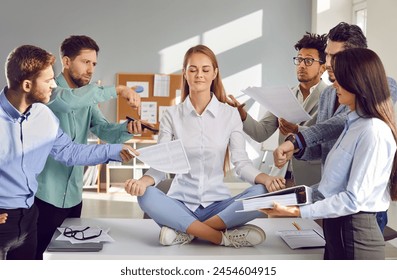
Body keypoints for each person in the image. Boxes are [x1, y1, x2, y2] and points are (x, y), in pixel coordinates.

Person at [124, 45, 285, 248]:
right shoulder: (171, 115)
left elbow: (241, 164)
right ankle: (220, 237)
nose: (199, 75)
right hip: (179, 203)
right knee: (145, 195)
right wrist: (143, 181)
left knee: (264, 193)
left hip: (218, 205)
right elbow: (161, 164)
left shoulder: (230, 114)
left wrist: (267, 179)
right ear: (185, 73)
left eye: (205, 70)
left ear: (215, 73)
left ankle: (185, 231)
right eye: (193, 69)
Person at [0, 45, 138, 260]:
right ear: (27, 85)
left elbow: (69, 152)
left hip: (29, 217)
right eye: (47, 81)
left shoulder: (43, 117)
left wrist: (115, 150)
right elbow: (70, 100)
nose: (53, 85)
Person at [262, 48, 397, 260]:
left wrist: (296, 212)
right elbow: (331, 187)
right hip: (336, 227)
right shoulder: (352, 126)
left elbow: (353, 199)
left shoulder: (373, 131)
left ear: (358, 82)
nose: (334, 85)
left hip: (356, 232)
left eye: (340, 79)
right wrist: (290, 199)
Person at [34, 35, 144, 260]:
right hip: (45, 195)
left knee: (69, 258)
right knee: (40, 257)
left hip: (74, 195)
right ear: (66, 62)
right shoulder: (50, 92)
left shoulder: (88, 100)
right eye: (85, 62)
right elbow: (70, 101)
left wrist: (127, 129)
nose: (91, 69)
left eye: (94, 64)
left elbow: (103, 130)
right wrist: (120, 89)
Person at [228, 32, 327, 186]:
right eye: (299, 59)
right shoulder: (286, 96)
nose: (301, 65)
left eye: (308, 60)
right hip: (280, 177)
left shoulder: (330, 96)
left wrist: (296, 130)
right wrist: (242, 115)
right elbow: (260, 133)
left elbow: (325, 137)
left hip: (312, 180)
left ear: (323, 67)